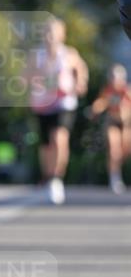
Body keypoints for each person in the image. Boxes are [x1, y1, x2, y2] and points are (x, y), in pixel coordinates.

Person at [28, 16, 88, 204]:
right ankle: (47, 176)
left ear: (61, 34)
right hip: (42, 104)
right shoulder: (36, 55)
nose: (49, 36)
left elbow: (81, 70)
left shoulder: (69, 54)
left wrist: (80, 83)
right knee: (46, 146)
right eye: (46, 32)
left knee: (60, 138)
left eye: (53, 32)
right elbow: (24, 76)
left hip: (64, 103)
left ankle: (57, 179)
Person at [88, 64, 131, 194]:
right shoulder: (108, 90)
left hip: (126, 124)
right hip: (112, 122)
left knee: (124, 150)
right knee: (114, 149)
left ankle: (117, 168)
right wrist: (94, 110)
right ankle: (114, 177)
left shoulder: (127, 91)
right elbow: (101, 102)